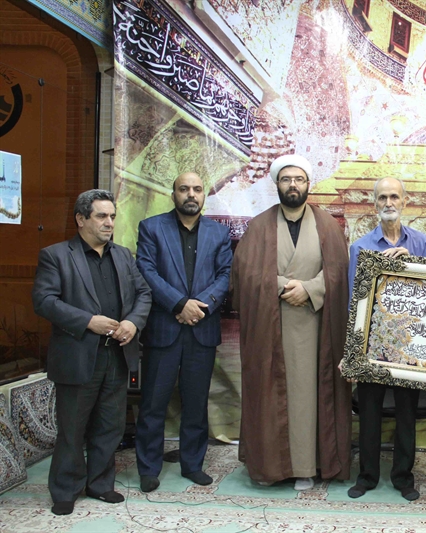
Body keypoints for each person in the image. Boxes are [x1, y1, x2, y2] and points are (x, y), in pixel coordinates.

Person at [230, 154, 351, 490]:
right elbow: (245, 273)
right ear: (277, 184)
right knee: (269, 395)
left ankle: (306, 467)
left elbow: (339, 272)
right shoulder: (259, 226)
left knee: (307, 398)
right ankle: (270, 466)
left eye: (299, 179)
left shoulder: (327, 224)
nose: (293, 185)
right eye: (286, 179)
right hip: (271, 327)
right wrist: (285, 286)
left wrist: (310, 289)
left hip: (315, 329)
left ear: (308, 184)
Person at [31, 189, 151, 515]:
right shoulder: (56, 255)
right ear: (81, 219)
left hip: (117, 355)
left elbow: (143, 293)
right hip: (77, 355)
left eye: (112, 216)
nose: (109, 222)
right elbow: (44, 301)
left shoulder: (123, 255)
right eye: (101, 216)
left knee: (110, 426)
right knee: (72, 429)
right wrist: (88, 321)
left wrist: (133, 322)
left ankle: (100, 484)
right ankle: (65, 490)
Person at [134, 172, 233, 492]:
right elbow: (146, 271)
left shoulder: (219, 233)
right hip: (164, 329)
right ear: (173, 194)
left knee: (195, 403)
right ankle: (149, 468)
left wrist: (198, 307)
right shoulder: (151, 228)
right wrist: (179, 304)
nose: (191, 194)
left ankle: (192, 464)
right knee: (153, 404)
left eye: (197, 189)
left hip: (201, 329)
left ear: (204, 195)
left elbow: (225, 276)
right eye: (184, 189)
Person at [346, 177, 426, 501]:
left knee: (406, 412)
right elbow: (355, 301)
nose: (388, 202)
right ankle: (367, 476)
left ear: (405, 201)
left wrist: (410, 264)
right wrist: (352, 352)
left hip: (410, 343)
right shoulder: (360, 248)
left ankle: (403, 477)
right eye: (382, 197)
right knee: (369, 411)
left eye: (394, 196)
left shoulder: (421, 244)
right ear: (374, 203)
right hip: (373, 342)